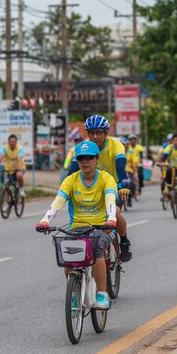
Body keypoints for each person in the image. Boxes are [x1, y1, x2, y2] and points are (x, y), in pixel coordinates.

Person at [36, 141, 118, 309]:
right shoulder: (71, 180)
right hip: (77, 227)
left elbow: (110, 198)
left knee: (97, 251)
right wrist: (46, 220)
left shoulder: (106, 178)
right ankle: (73, 291)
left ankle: (102, 293)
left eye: (89, 158)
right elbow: (58, 201)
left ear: (97, 159)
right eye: (81, 158)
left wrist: (111, 218)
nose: (85, 161)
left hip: (102, 226)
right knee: (68, 254)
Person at [68, 115, 132, 262]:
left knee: (115, 212)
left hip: (113, 189)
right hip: (90, 190)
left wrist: (124, 183)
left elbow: (121, 166)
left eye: (99, 132)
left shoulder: (116, 146)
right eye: (91, 132)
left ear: (106, 133)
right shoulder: (83, 148)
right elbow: (72, 172)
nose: (95, 136)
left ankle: (124, 241)